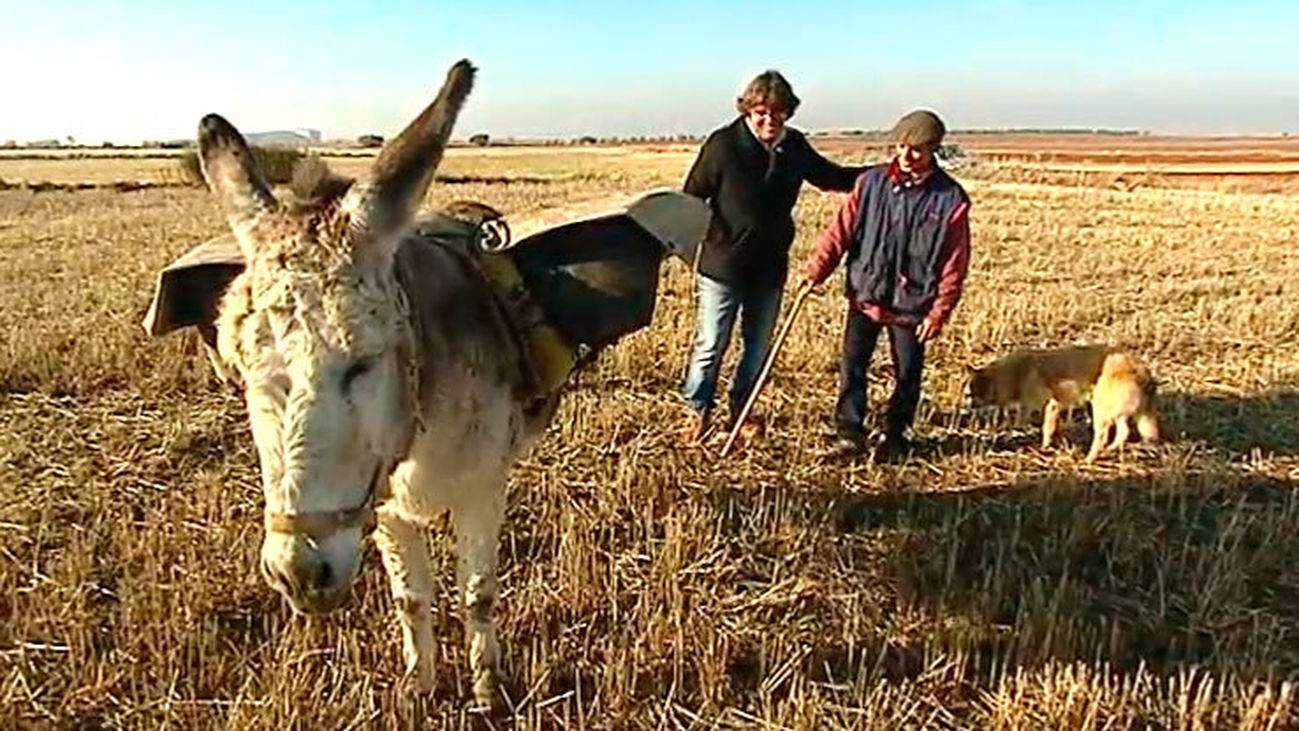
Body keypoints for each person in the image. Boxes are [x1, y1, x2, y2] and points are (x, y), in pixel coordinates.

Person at [679, 70, 864, 444]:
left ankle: (742, 411)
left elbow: (832, 178)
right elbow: (691, 198)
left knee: (758, 348)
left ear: (788, 114)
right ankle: (696, 412)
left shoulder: (794, 147)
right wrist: (713, 239)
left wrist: (881, 175)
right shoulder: (723, 145)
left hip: (769, 269)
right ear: (748, 110)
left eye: (777, 113)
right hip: (722, 268)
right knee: (711, 344)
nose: (768, 120)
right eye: (760, 111)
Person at [798, 109, 971, 463]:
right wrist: (816, 269)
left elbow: (955, 263)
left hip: (912, 302)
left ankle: (897, 436)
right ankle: (850, 434)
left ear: (933, 150)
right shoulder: (870, 183)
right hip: (866, 294)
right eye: (901, 147)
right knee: (853, 366)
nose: (906, 157)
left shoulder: (950, 199)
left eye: (917, 150)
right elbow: (840, 232)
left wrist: (939, 312)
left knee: (907, 374)